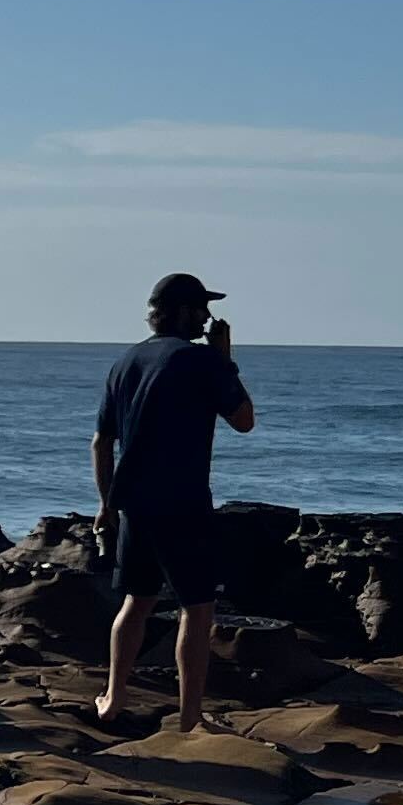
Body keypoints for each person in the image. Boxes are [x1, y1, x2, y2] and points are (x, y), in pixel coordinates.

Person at [93, 272, 256, 731]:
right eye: (201, 308)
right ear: (183, 310)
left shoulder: (126, 361)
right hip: (183, 501)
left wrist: (106, 504)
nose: (207, 318)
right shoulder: (202, 361)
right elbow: (244, 420)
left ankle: (114, 695)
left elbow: (101, 442)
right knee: (198, 608)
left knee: (136, 602)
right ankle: (189, 717)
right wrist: (226, 361)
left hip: (133, 503)